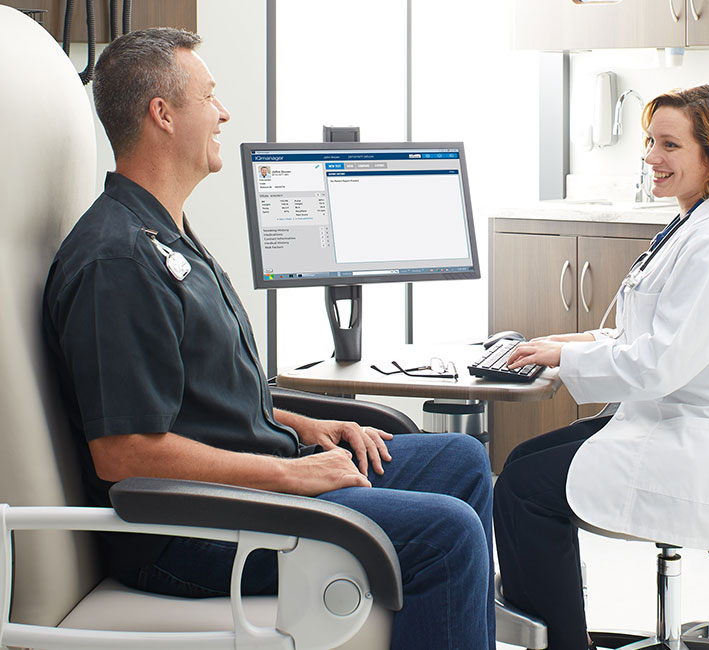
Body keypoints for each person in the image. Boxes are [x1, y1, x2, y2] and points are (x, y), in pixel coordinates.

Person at [42, 28, 494, 650]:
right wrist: (291, 478)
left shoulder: (163, 234)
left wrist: (302, 427)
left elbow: (197, 395)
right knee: (448, 535)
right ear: (163, 115)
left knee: (463, 462)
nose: (223, 112)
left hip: (248, 482)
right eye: (209, 96)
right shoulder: (115, 261)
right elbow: (125, 453)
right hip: (194, 529)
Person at [494, 85, 709, 650]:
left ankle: (558, 639)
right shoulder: (691, 224)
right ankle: (552, 622)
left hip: (698, 440)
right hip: (665, 415)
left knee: (525, 488)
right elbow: (651, 335)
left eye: (669, 145)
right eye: (651, 141)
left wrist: (567, 357)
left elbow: (659, 364)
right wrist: (564, 341)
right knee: (522, 462)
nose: (650, 156)